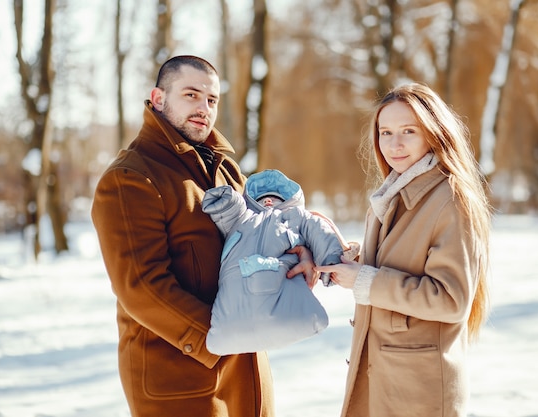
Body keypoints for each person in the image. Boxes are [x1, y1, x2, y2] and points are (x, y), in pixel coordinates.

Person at [91, 55, 317, 417]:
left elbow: (259, 236)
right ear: (159, 98)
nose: (204, 108)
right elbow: (142, 287)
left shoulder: (224, 167)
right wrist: (220, 338)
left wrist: (299, 252)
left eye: (211, 100)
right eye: (191, 95)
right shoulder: (130, 178)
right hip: (179, 377)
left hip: (246, 369)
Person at [316, 82, 492, 417]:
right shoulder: (394, 193)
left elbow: (451, 300)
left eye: (408, 131)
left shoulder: (450, 200)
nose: (394, 145)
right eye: (386, 132)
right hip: (384, 376)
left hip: (417, 388)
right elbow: (401, 259)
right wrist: (347, 258)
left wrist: (365, 281)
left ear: (434, 133)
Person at [201, 169, 358, 355]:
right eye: (262, 199)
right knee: (230, 314)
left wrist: (330, 260)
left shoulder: (296, 218)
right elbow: (227, 213)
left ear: (290, 201)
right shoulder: (243, 218)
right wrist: (224, 201)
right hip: (237, 282)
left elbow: (320, 231)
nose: (268, 201)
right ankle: (223, 335)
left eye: (275, 198)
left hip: (280, 276)